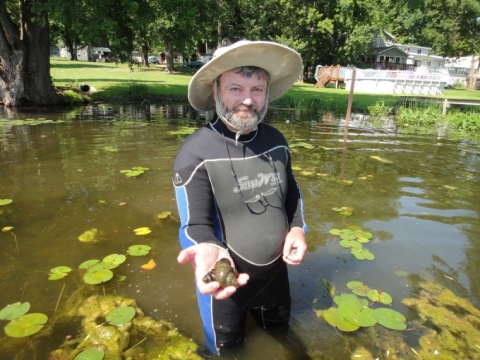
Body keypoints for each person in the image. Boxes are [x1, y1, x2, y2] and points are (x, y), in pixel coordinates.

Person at [172, 40, 307, 356]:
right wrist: (206, 248)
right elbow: (195, 225)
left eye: (257, 89)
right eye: (235, 88)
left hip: (276, 279)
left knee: (282, 336)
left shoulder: (277, 141)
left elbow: (293, 195)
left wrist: (298, 229)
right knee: (228, 352)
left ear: (266, 94)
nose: (248, 99)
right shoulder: (196, 152)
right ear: (215, 91)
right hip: (225, 288)